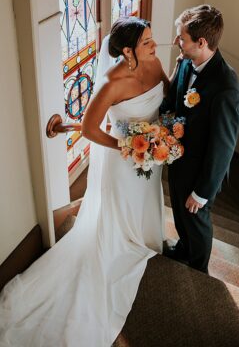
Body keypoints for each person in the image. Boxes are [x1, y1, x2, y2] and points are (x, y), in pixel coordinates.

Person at [0, 17, 170, 345]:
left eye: (152, 38)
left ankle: (143, 236)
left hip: (150, 153)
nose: (153, 44)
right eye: (146, 41)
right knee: (119, 212)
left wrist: (164, 133)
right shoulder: (111, 83)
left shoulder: (156, 62)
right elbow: (91, 129)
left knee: (145, 197)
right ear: (127, 51)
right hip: (123, 160)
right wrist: (124, 145)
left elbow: (170, 92)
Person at [161, 4, 239, 274]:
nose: (176, 42)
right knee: (180, 215)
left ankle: (198, 270)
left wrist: (202, 191)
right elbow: (174, 101)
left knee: (197, 221)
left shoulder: (225, 86)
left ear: (202, 42)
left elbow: (224, 145)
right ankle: (183, 248)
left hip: (200, 171)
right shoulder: (185, 61)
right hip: (177, 160)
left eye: (181, 38)